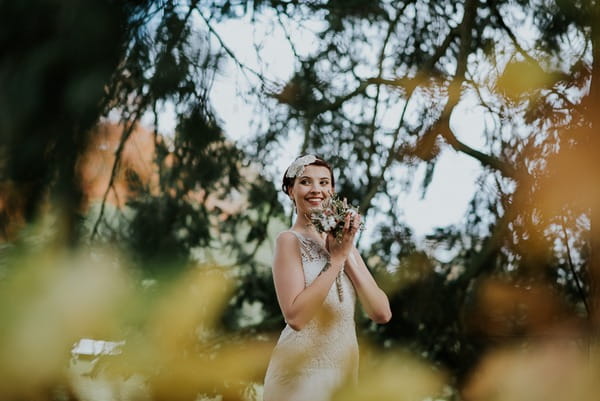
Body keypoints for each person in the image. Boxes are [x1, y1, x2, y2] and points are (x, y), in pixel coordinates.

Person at [263, 155, 392, 401]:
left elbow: (381, 313)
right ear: (291, 191)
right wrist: (335, 261)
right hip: (300, 376)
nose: (316, 190)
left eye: (324, 183)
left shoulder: (345, 247)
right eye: (305, 182)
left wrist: (345, 252)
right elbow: (296, 317)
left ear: (332, 191)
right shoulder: (289, 241)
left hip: (343, 376)